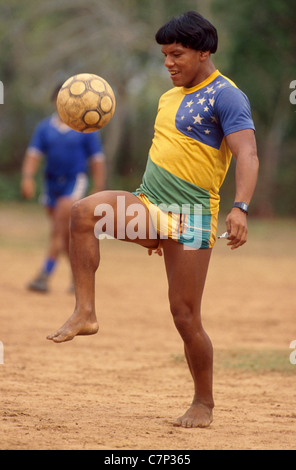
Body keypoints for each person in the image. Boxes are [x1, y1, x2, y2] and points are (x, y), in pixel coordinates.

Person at [47, 11, 259, 428]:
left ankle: (204, 403)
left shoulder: (226, 96)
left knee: (185, 316)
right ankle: (85, 311)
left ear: (203, 52)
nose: (168, 63)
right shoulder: (168, 96)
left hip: (193, 217)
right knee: (84, 212)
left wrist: (241, 206)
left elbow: (247, 154)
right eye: (164, 55)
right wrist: (149, 223)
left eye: (176, 54)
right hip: (149, 204)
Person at [21, 84, 106, 293]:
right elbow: (34, 154)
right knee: (66, 235)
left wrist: (98, 186)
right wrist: (28, 177)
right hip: (51, 184)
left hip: (73, 182)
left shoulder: (85, 127)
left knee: (58, 229)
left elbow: (97, 160)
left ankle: (44, 275)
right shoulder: (45, 127)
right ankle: (80, 279)